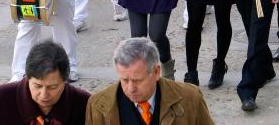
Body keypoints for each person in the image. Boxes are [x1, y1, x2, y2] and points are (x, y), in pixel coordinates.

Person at [85, 37, 214, 124]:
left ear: (156, 72)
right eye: (124, 80)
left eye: (137, 80)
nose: (130, 89)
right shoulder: (97, 106)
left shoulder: (190, 98)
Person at [0, 40, 91, 124]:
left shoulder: (85, 104)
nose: (44, 95)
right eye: (37, 86)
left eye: (53, 87)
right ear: (27, 77)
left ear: (65, 81)